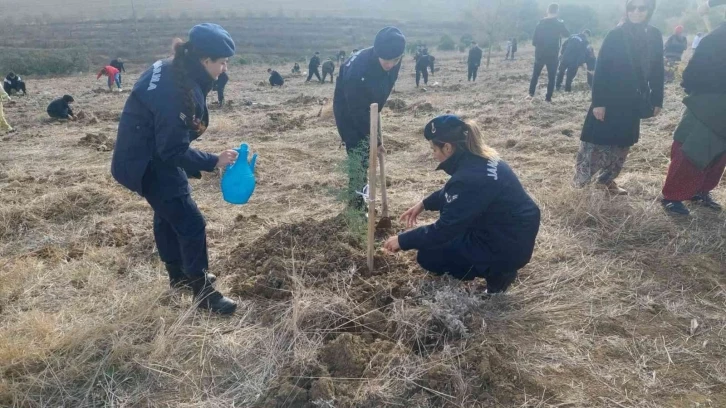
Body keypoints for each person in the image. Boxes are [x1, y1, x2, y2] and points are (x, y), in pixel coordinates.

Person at [111, 23, 240, 315]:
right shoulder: (175, 91)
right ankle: (203, 292)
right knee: (191, 222)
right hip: (147, 162)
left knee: (168, 212)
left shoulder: (174, 69)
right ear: (205, 59)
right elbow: (171, 150)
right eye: (222, 62)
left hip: (141, 154)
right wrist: (213, 160)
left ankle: (178, 276)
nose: (224, 69)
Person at [383, 115, 540, 294]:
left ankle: (499, 273)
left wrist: (403, 240)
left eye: (434, 149)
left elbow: (443, 230)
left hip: (505, 245)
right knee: (452, 228)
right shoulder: (482, 159)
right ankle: (499, 269)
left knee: (429, 255)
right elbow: (456, 194)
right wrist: (425, 203)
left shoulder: (469, 178)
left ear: (447, 148)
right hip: (513, 234)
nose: (433, 155)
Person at [574, 0, 664, 195]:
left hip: (633, 100)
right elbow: (601, 70)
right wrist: (599, 102)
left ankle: (606, 181)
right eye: (632, 7)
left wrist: (657, 98)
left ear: (650, 10)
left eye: (642, 8)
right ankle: (580, 186)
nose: (637, 12)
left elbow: (658, 69)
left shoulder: (654, 35)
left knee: (623, 142)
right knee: (595, 143)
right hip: (610, 97)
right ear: (627, 9)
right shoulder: (617, 34)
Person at [660, 0, 726, 215]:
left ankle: (701, 191)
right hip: (707, 105)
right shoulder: (714, 40)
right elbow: (691, 77)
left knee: (719, 155)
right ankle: (673, 196)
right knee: (691, 150)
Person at [334, 26, 405, 211]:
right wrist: (376, 140)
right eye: (386, 61)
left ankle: (361, 201)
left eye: (395, 60)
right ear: (377, 52)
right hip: (350, 113)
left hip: (372, 108)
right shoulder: (357, 72)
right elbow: (356, 111)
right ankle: (356, 206)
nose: (390, 65)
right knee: (360, 158)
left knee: (368, 154)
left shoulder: (394, 58)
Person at [529, 3, 570, 102]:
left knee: (535, 75)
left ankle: (530, 94)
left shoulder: (540, 23)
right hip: (553, 55)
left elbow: (534, 41)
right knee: (552, 77)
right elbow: (567, 34)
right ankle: (548, 98)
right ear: (557, 12)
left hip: (540, 54)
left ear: (547, 11)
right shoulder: (559, 23)